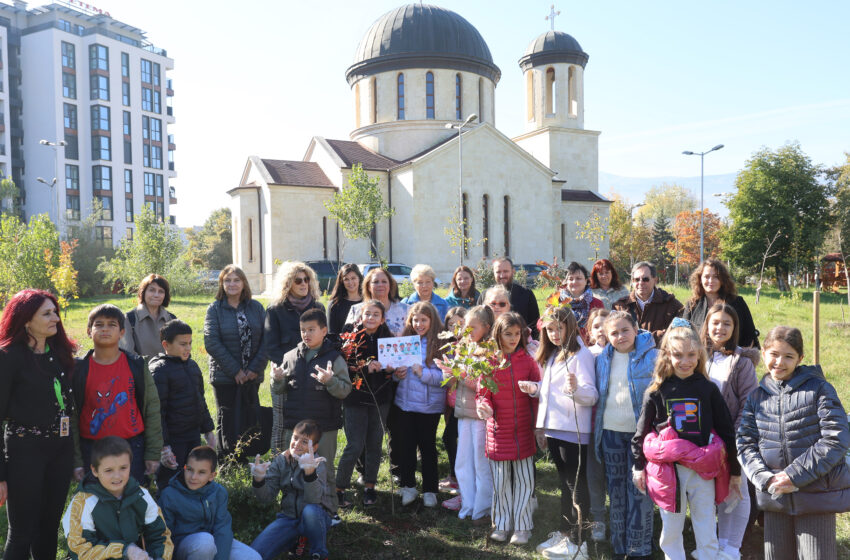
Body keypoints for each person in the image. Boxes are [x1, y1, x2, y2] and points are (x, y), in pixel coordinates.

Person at [738, 326, 850, 560]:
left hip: (816, 496)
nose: (779, 362)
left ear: (800, 358)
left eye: (788, 356)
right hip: (775, 496)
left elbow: (836, 439)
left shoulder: (819, 389)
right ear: (764, 352)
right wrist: (765, 479)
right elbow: (745, 442)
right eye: (774, 354)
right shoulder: (757, 396)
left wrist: (794, 475)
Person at [632, 320, 740, 560]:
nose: (685, 361)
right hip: (669, 473)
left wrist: (734, 470)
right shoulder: (656, 391)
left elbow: (726, 431)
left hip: (703, 471)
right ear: (667, 356)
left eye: (691, 354)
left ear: (700, 354)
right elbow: (641, 432)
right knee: (671, 528)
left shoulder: (708, 389)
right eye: (678, 355)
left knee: (706, 525)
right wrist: (638, 467)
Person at [0, 289, 77, 560]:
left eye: (55, 311)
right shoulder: (8, 357)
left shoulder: (60, 353)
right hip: (24, 452)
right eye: (47, 313)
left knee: (48, 530)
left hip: (60, 452)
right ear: (25, 320)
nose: (55, 317)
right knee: (22, 533)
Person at [525, 306, 597, 559]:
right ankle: (565, 533)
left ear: (570, 326)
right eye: (550, 329)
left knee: (576, 485)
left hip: (573, 429)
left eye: (559, 328)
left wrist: (576, 389)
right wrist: (536, 393)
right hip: (556, 428)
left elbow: (590, 395)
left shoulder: (581, 355)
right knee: (565, 485)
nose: (555, 333)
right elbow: (550, 393)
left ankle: (579, 544)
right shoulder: (556, 353)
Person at [270, 308, 351, 511]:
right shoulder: (290, 356)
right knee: (292, 466)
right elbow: (280, 389)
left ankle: (329, 509)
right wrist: (277, 379)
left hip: (325, 426)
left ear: (324, 331)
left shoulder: (334, 358)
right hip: (295, 425)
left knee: (324, 468)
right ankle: (291, 507)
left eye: (311, 329)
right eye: (303, 330)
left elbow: (344, 391)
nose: (306, 334)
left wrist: (330, 381)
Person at [72, 304, 162, 485]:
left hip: (132, 447)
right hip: (92, 448)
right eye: (99, 324)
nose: (105, 329)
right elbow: (72, 416)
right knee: (95, 503)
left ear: (121, 332)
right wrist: (77, 461)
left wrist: (153, 452)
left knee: (132, 501)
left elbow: (152, 408)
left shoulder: (136, 365)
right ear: (89, 331)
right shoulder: (78, 369)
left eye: (112, 324)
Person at [592, 311, 656, 559]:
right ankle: (620, 546)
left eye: (625, 330)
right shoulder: (602, 359)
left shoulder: (651, 356)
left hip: (639, 437)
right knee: (616, 492)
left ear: (636, 329)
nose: (620, 336)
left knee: (639, 492)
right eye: (614, 333)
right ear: (607, 336)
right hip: (610, 433)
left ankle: (638, 547)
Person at [701, 303, 759, 559]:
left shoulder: (741, 362)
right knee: (714, 493)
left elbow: (749, 404)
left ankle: (731, 547)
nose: (720, 328)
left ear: (734, 329)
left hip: (732, 438)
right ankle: (715, 543)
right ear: (707, 325)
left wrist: (733, 440)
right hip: (703, 440)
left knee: (737, 491)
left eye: (727, 323)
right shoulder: (698, 356)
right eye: (715, 322)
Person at [478, 312, 540, 545]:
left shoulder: (528, 360)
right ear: (498, 334)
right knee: (501, 483)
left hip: (523, 430)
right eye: (508, 334)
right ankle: (502, 524)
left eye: (517, 334)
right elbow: (482, 394)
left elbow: (536, 395)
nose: (513, 339)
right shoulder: (489, 362)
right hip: (498, 432)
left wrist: (538, 427)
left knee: (525, 481)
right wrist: (484, 407)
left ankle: (523, 527)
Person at [62, 436, 173, 560]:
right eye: (109, 470)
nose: (117, 476)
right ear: (95, 470)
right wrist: (124, 550)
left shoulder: (141, 495)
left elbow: (160, 535)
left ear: (131, 465)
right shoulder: (82, 503)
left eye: (123, 468)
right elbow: (81, 551)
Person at [335, 300, 394, 507]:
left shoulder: (389, 338)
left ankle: (370, 486)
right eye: (367, 314)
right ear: (360, 316)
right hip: (355, 398)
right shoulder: (351, 337)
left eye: (375, 314)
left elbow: (393, 365)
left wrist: (391, 370)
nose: (371, 318)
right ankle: (339, 488)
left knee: (375, 443)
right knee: (354, 444)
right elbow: (342, 362)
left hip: (381, 397)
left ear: (383, 318)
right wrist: (363, 366)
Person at [204, 265, 267, 458]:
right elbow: (211, 341)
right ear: (222, 284)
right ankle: (227, 459)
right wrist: (235, 371)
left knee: (249, 416)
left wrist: (255, 368)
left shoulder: (256, 307)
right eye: (227, 280)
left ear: (244, 283)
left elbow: (268, 338)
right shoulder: (215, 309)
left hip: (252, 376)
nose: (232, 284)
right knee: (227, 418)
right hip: (225, 376)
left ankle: (247, 454)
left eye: (236, 280)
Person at [250, 420, 334, 560]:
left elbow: (314, 500)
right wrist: (259, 480)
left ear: (315, 446)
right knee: (255, 553)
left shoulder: (318, 464)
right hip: (288, 517)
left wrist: (310, 472)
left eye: (304, 441)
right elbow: (266, 497)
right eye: (295, 438)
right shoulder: (281, 461)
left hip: (316, 516)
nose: (297, 443)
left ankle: (318, 553)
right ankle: (296, 538)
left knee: (310, 511)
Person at [265, 262, 326, 454]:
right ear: (288, 283)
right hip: (284, 374)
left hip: (312, 373)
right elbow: (270, 346)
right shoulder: (275, 310)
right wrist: (287, 369)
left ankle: (311, 466)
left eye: (307, 279)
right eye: (298, 280)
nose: (303, 284)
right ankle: (279, 464)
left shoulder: (317, 307)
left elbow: (324, 340)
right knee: (282, 422)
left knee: (311, 423)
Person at [159, 446, 260, 560]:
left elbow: (222, 530)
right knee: (204, 543)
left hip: (213, 541)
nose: (193, 477)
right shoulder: (169, 495)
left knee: (253, 557)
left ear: (212, 476)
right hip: (183, 546)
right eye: (189, 469)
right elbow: (162, 534)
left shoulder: (219, 493)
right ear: (184, 467)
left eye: (201, 472)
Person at [150, 319, 215, 492]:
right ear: (166, 344)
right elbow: (157, 413)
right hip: (173, 439)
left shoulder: (192, 366)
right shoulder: (159, 371)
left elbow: (201, 401)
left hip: (192, 435)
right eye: (182, 344)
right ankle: (166, 514)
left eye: (190, 343)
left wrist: (208, 431)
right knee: (170, 480)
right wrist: (164, 446)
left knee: (192, 477)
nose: (188, 348)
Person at [442, 306, 494, 522]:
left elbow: (484, 384)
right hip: (464, 412)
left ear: (486, 327)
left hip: (480, 416)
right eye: (465, 327)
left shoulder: (489, 350)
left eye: (473, 327)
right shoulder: (463, 347)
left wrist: (460, 373)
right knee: (463, 461)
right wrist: (450, 373)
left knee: (481, 463)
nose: (467, 331)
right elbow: (459, 381)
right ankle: (468, 502)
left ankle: (483, 506)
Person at [392, 302, 446, 507]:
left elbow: (446, 377)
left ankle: (430, 490)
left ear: (432, 321)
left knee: (428, 448)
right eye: (415, 320)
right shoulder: (404, 341)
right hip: (404, 405)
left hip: (428, 406)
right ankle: (408, 486)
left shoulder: (440, 343)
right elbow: (395, 372)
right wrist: (397, 375)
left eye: (423, 320)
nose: (419, 324)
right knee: (406, 446)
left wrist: (423, 373)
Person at [682, 259, 759, 348]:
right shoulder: (692, 305)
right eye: (706, 276)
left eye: (716, 277)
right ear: (700, 279)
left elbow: (749, 336)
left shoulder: (738, 303)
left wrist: (740, 357)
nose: (711, 281)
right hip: (700, 358)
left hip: (733, 356)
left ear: (722, 280)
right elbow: (684, 335)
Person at [584, 306, 610, 542]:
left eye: (606, 325)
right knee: (594, 475)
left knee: (614, 474)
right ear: (589, 332)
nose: (601, 330)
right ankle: (598, 518)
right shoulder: (587, 354)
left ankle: (619, 515)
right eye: (596, 326)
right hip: (591, 426)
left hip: (614, 426)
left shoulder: (622, 353)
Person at [614, 261, 684, 344]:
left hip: (660, 355)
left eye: (645, 279)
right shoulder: (620, 306)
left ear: (655, 280)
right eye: (636, 279)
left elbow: (680, 334)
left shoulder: (672, 305)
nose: (640, 283)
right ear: (632, 282)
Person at [439, 306, 468, 495]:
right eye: (451, 325)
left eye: (460, 324)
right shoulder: (447, 345)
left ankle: (458, 477)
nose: (455, 329)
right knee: (452, 437)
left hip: (465, 402)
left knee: (450, 437)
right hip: (451, 400)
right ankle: (456, 476)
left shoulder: (468, 345)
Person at [121, 274, 177, 361]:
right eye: (152, 290)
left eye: (161, 291)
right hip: (141, 372)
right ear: (143, 292)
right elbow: (128, 353)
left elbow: (179, 350)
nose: (156, 295)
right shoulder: (129, 319)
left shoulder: (172, 319)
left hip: (169, 372)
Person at [486, 257, 540, 338]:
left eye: (505, 271)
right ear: (493, 273)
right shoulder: (485, 295)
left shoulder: (526, 294)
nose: (502, 275)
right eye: (498, 272)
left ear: (513, 271)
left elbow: (535, 325)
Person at [346, 267, 409, 335]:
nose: (380, 285)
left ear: (390, 285)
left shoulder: (406, 310)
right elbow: (347, 338)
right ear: (368, 287)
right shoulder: (356, 310)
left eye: (384, 281)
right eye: (376, 282)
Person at [562, 261, 604, 344]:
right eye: (570, 279)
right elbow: (542, 323)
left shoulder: (597, 303)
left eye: (578, 278)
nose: (574, 282)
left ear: (586, 281)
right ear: (566, 282)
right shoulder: (558, 302)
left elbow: (604, 326)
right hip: (563, 348)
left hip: (590, 349)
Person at [325, 264, 363, 335]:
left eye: (353, 278)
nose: (350, 282)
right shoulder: (334, 305)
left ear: (359, 278)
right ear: (342, 281)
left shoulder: (368, 302)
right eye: (346, 279)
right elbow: (331, 333)